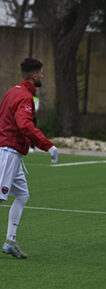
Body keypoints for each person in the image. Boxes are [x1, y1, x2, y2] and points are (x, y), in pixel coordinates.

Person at [0, 57, 58, 259]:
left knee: (23, 195)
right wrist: (47, 145)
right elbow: (24, 125)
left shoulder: (12, 91)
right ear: (34, 76)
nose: (43, 76)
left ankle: (10, 241)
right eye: (41, 74)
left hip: (12, 151)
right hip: (8, 151)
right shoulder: (24, 97)